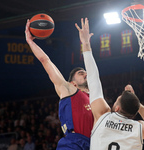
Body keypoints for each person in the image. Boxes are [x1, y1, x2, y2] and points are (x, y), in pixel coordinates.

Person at [75, 18, 144, 150]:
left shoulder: (102, 115)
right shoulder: (139, 128)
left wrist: (86, 43)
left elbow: (93, 79)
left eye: (117, 100)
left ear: (116, 108)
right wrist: (137, 104)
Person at [25, 19, 93, 150]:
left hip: (93, 144)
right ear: (72, 83)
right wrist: (30, 42)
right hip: (73, 143)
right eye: (80, 73)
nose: (85, 74)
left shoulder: (96, 99)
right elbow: (45, 61)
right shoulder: (69, 90)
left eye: (85, 72)